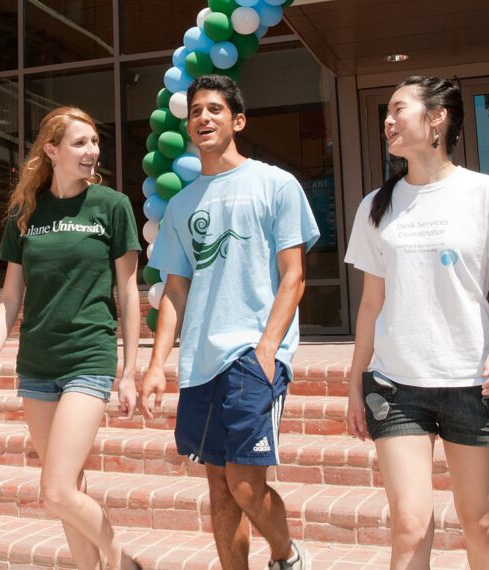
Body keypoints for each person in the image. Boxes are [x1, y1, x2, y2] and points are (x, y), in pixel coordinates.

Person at [344, 76, 489, 570]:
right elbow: (371, 305)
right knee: (409, 525)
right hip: (396, 385)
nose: (387, 122)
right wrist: (354, 381)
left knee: (479, 521)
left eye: (398, 110)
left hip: (472, 382)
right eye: (385, 113)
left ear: (437, 118)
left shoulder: (485, 193)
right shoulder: (375, 206)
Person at [140, 75, 320, 570]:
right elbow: (176, 289)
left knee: (245, 483)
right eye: (196, 110)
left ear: (237, 121)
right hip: (200, 361)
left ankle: (285, 555)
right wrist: (157, 365)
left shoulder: (275, 184)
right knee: (220, 488)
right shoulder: (182, 204)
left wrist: (267, 351)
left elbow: (294, 276)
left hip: (252, 356)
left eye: (215, 109)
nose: (203, 118)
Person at [0, 106, 142, 570]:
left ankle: (122, 561)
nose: (93, 152)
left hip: (89, 354)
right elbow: (10, 297)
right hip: (38, 365)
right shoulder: (27, 212)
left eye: (94, 142)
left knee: (56, 490)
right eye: (80, 143)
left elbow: (127, 291)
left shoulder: (112, 206)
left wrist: (130, 370)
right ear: (52, 150)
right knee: (72, 488)